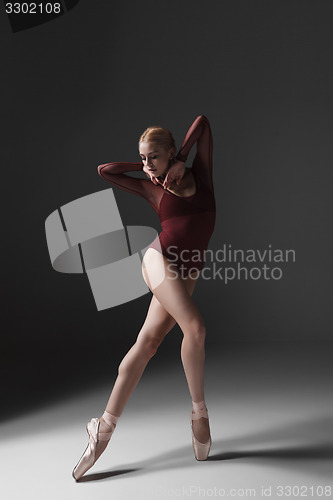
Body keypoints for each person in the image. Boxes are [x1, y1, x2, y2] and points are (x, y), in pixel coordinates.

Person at [72, 114, 216, 481]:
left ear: (170, 152)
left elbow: (202, 125)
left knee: (148, 342)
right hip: (159, 260)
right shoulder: (150, 188)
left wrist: (182, 157)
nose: (147, 164)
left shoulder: (200, 172)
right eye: (143, 158)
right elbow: (106, 171)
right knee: (195, 329)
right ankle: (199, 414)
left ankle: (102, 425)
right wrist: (145, 169)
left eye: (154, 156)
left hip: (188, 269)